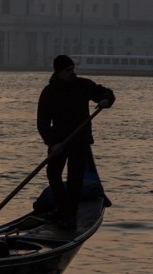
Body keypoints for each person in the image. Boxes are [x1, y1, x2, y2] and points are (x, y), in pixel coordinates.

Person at [36, 54, 115, 227]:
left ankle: (70, 215)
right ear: (59, 72)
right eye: (68, 70)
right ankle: (62, 208)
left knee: (75, 179)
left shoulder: (83, 85)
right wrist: (53, 143)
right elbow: (42, 123)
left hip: (80, 141)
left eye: (73, 69)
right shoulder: (49, 92)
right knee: (53, 174)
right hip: (59, 142)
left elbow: (106, 92)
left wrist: (105, 100)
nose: (72, 73)